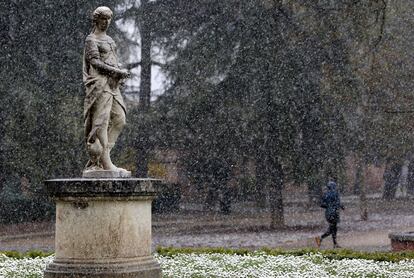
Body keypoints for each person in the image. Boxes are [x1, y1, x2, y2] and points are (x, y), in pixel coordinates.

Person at [83, 6, 130, 174]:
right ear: (96, 20)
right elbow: (95, 63)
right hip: (99, 84)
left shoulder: (110, 40)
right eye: (103, 19)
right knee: (101, 122)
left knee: (120, 119)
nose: (107, 22)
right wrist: (116, 72)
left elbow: (112, 60)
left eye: (109, 19)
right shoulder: (91, 39)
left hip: (112, 84)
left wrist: (118, 76)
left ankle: (105, 154)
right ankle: (105, 162)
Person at [315, 180, 345, 248]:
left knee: (333, 228)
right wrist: (341, 207)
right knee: (332, 229)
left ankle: (335, 243)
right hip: (334, 213)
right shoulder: (335, 193)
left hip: (328, 214)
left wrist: (328, 206)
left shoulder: (325, 194)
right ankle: (321, 238)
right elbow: (338, 202)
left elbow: (321, 204)